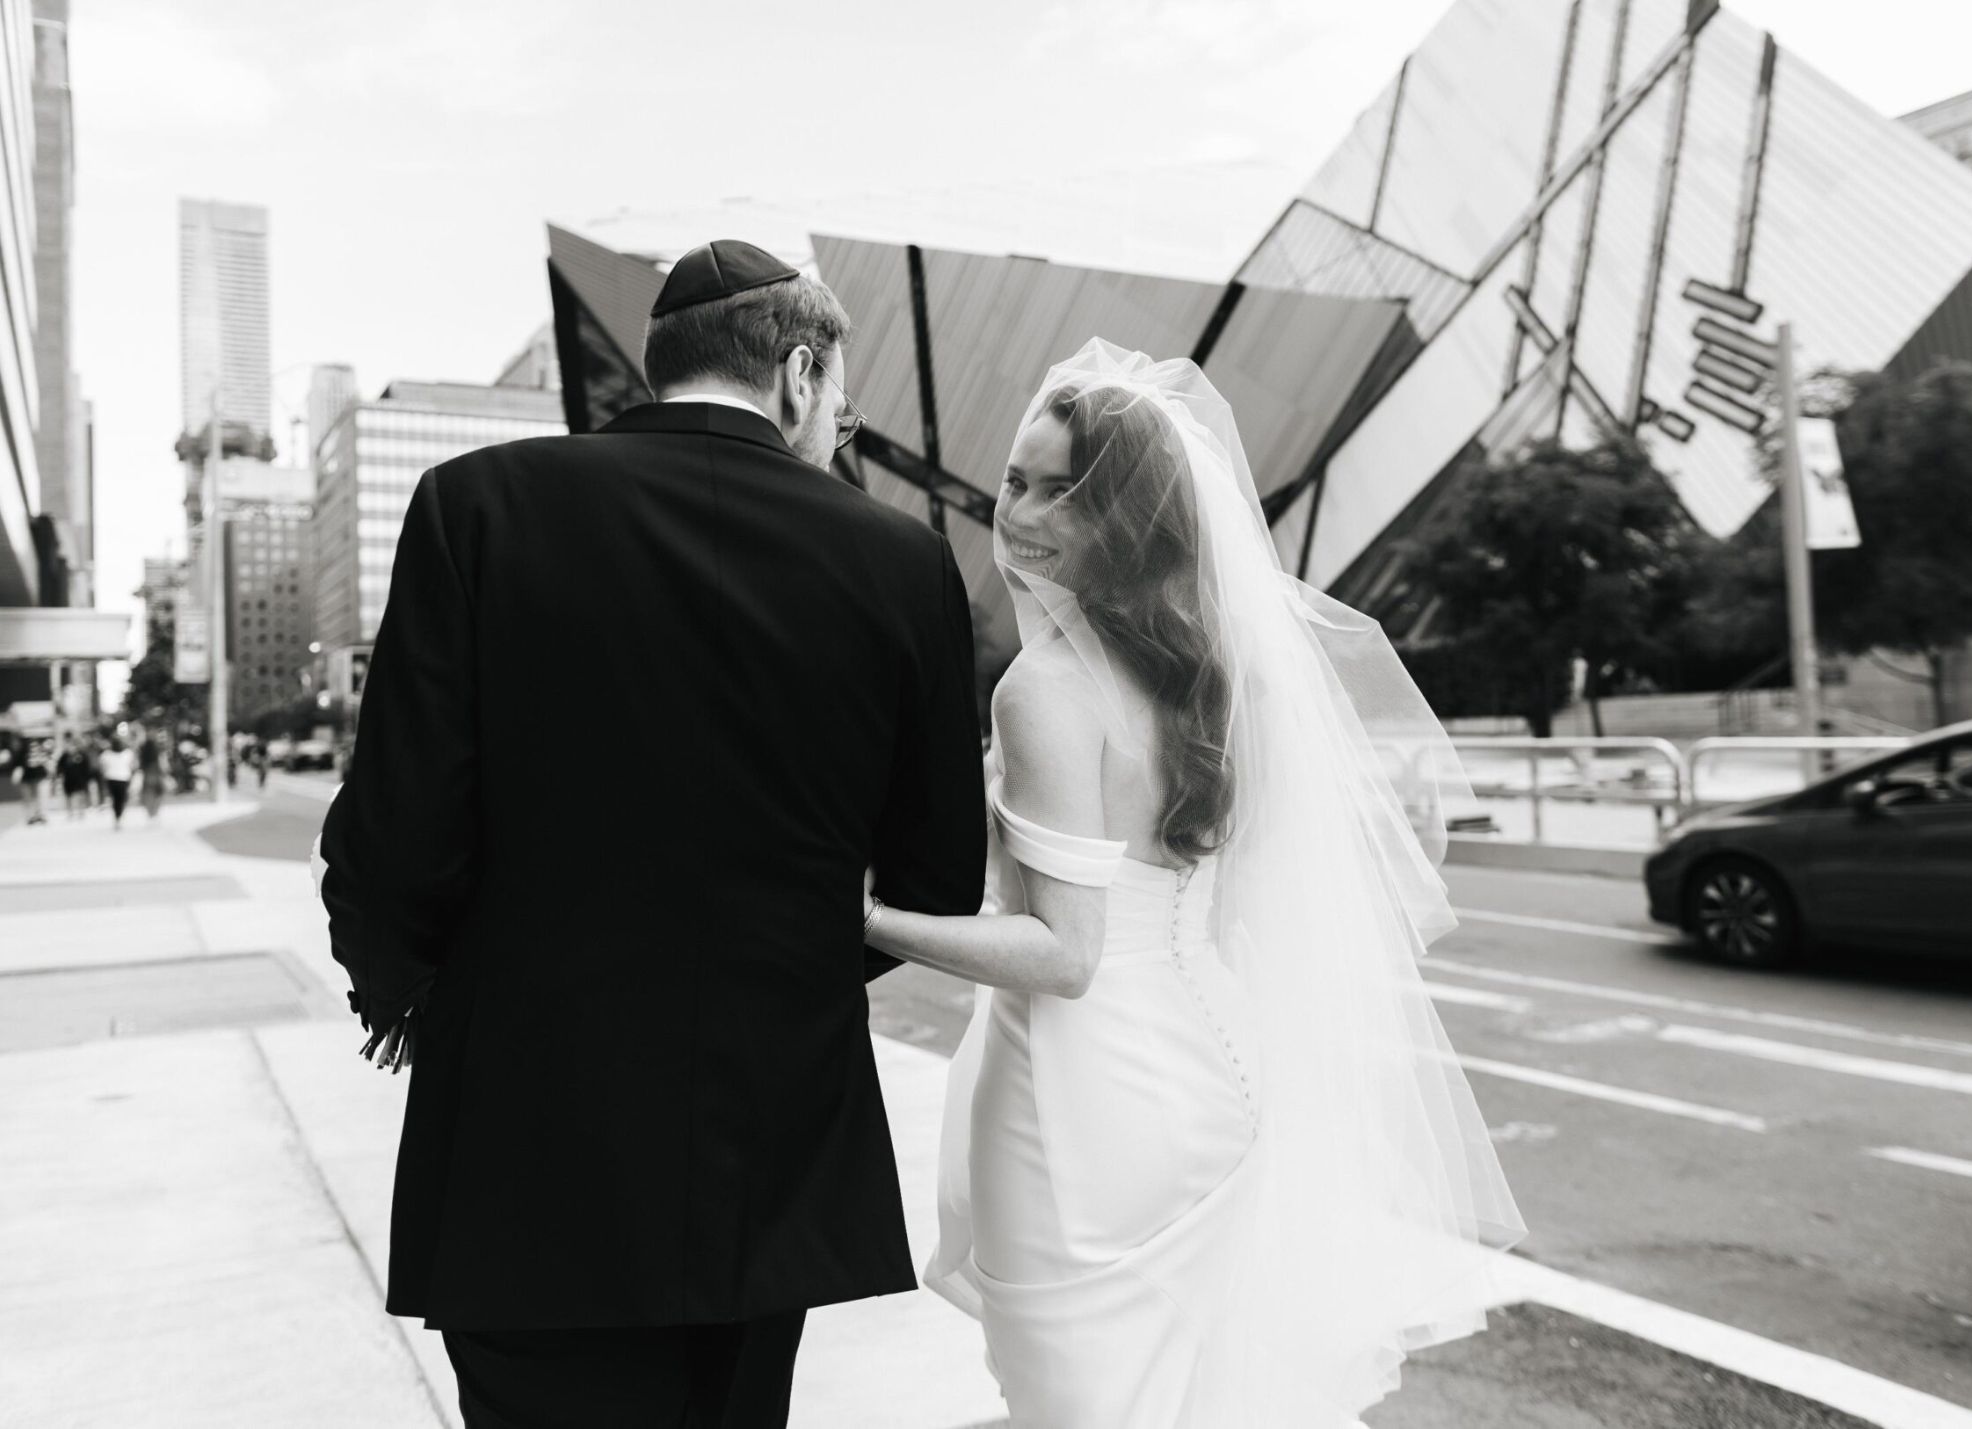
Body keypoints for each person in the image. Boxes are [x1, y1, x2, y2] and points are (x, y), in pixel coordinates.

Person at [314, 239, 986, 1429]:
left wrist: (399, 988)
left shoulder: (476, 506)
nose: (837, 425)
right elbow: (935, 875)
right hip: (765, 1143)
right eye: (839, 400)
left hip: (524, 1131)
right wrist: (776, 964)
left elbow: (391, 828)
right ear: (797, 370)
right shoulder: (902, 561)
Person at [866, 341, 1525, 1425]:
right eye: (1013, 482)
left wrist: (869, 914)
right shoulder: (1219, 673)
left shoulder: (1044, 689)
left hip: (1079, 1100)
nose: (1016, 512)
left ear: (1125, 515)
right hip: (1216, 1072)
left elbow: (1063, 955)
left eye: (1058, 491)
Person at [98, 737, 135, 830]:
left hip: (112, 779)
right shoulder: (128, 753)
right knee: (121, 798)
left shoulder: (106, 754)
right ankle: (119, 815)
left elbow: (102, 766)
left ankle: (118, 816)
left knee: (116, 799)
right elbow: (133, 765)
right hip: (123, 778)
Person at [13, 738, 51, 825]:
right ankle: (30, 816)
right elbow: (18, 767)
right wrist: (16, 776)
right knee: (28, 799)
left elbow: (48, 764)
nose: (33, 748)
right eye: (31, 746)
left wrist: (50, 773)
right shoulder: (22, 754)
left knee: (41, 797)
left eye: (35, 746)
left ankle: (41, 815)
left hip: (40, 778)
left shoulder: (42, 754)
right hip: (26, 779)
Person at [58, 743, 93, 819]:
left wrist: (87, 778)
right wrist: (60, 775)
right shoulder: (65, 756)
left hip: (80, 779)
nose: (72, 748)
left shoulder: (82, 755)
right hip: (68, 779)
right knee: (69, 796)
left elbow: (87, 767)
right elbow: (59, 767)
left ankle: (81, 812)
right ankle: (70, 812)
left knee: (80, 795)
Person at [137, 731, 166, 821]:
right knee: (158, 792)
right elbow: (162, 762)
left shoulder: (143, 750)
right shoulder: (157, 749)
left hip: (147, 773)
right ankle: (154, 811)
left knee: (148, 793)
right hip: (156, 773)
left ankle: (150, 811)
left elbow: (140, 763)